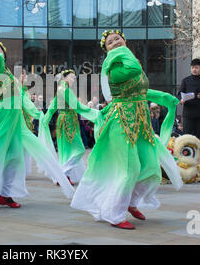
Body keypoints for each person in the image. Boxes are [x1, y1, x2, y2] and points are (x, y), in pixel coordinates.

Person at [70, 30, 182, 230]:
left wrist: (164, 98)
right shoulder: (115, 68)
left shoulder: (130, 62)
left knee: (150, 166)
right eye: (110, 43)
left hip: (141, 122)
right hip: (120, 121)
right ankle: (115, 213)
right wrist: (123, 53)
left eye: (117, 39)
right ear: (107, 51)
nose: (114, 43)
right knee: (129, 167)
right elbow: (131, 70)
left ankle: (131, 201)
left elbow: (142, 90)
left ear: (124, 40)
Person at [0, 40, 74, 211]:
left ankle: (6, 194)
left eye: (0, 49)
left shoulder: (8, 73)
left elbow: (22, 98)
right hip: (3, 116)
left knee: (15, 158)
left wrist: (37, 112)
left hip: (15, 119)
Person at [43, 69, 99, 185]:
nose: (74, 80)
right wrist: (93, 111)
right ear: (65, 78)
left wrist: (45, 119)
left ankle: (66, 175)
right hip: (68, 122)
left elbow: (53, 106)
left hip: (65, 121)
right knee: (79, 149)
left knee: (67, 151)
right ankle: (63, 173)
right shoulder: (65, 90)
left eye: (74, 78)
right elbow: (76, 105)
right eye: (72, 77)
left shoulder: (61, 89)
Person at [178, 58, 200, 143]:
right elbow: (179, 94)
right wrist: (181, 99)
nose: (194, 69)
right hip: (188, 113)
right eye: (193, 67)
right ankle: (187, 155)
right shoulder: (185, 81)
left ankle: (199, 156)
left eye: (196, 67)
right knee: (187, 136)